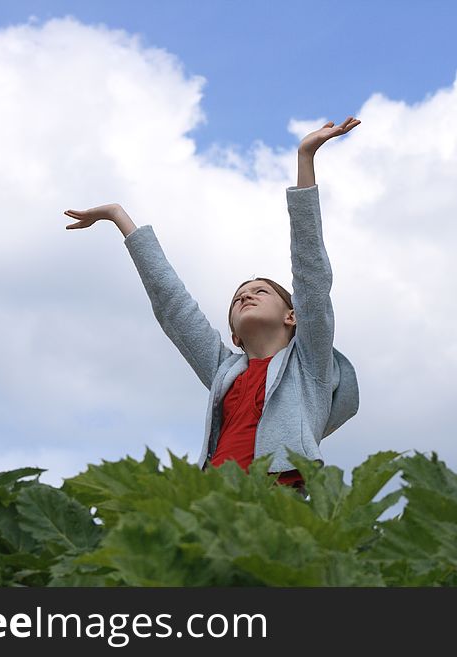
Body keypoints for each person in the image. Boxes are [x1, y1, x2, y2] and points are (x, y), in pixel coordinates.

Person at [64, 116, 361, 497]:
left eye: (260, 292)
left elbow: (311, 274)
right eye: (238, 297)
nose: (245, 296)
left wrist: (305, 157)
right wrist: (120, 218)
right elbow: (173, 305)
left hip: (279, 495)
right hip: (214, 502)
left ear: (293, 317)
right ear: (234, 335)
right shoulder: (224, 370)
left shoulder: (310, 365)